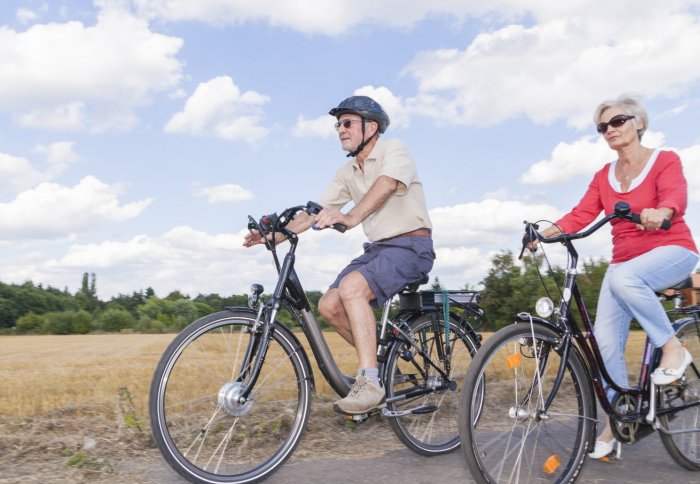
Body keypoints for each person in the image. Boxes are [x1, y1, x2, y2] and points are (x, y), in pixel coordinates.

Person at [243, 95, 435, 415]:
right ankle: (384, 368)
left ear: (370, 127)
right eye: (338, 125)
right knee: (329, 305)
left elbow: (386, 185)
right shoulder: (348, 171)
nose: (340, 130)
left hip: (412, 246)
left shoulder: (394, 150)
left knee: (352, 289)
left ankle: (369, 381)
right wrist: (274, 234)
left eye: (347, 123)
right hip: (379, 250)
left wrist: (351, 217)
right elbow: (317, 211)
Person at [535, 95, 699, 460]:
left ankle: (674, 348)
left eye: (618, 121)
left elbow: (675, 195)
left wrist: (663, 210)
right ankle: (619, 421)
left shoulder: (665, 160)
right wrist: (541, 234)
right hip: (625, 264)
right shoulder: (603, 177)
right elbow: (580, 215)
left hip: (673, 250)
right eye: (603, 126)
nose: (610, 129)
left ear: (638, 122)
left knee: (625, 278)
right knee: (604, 346)